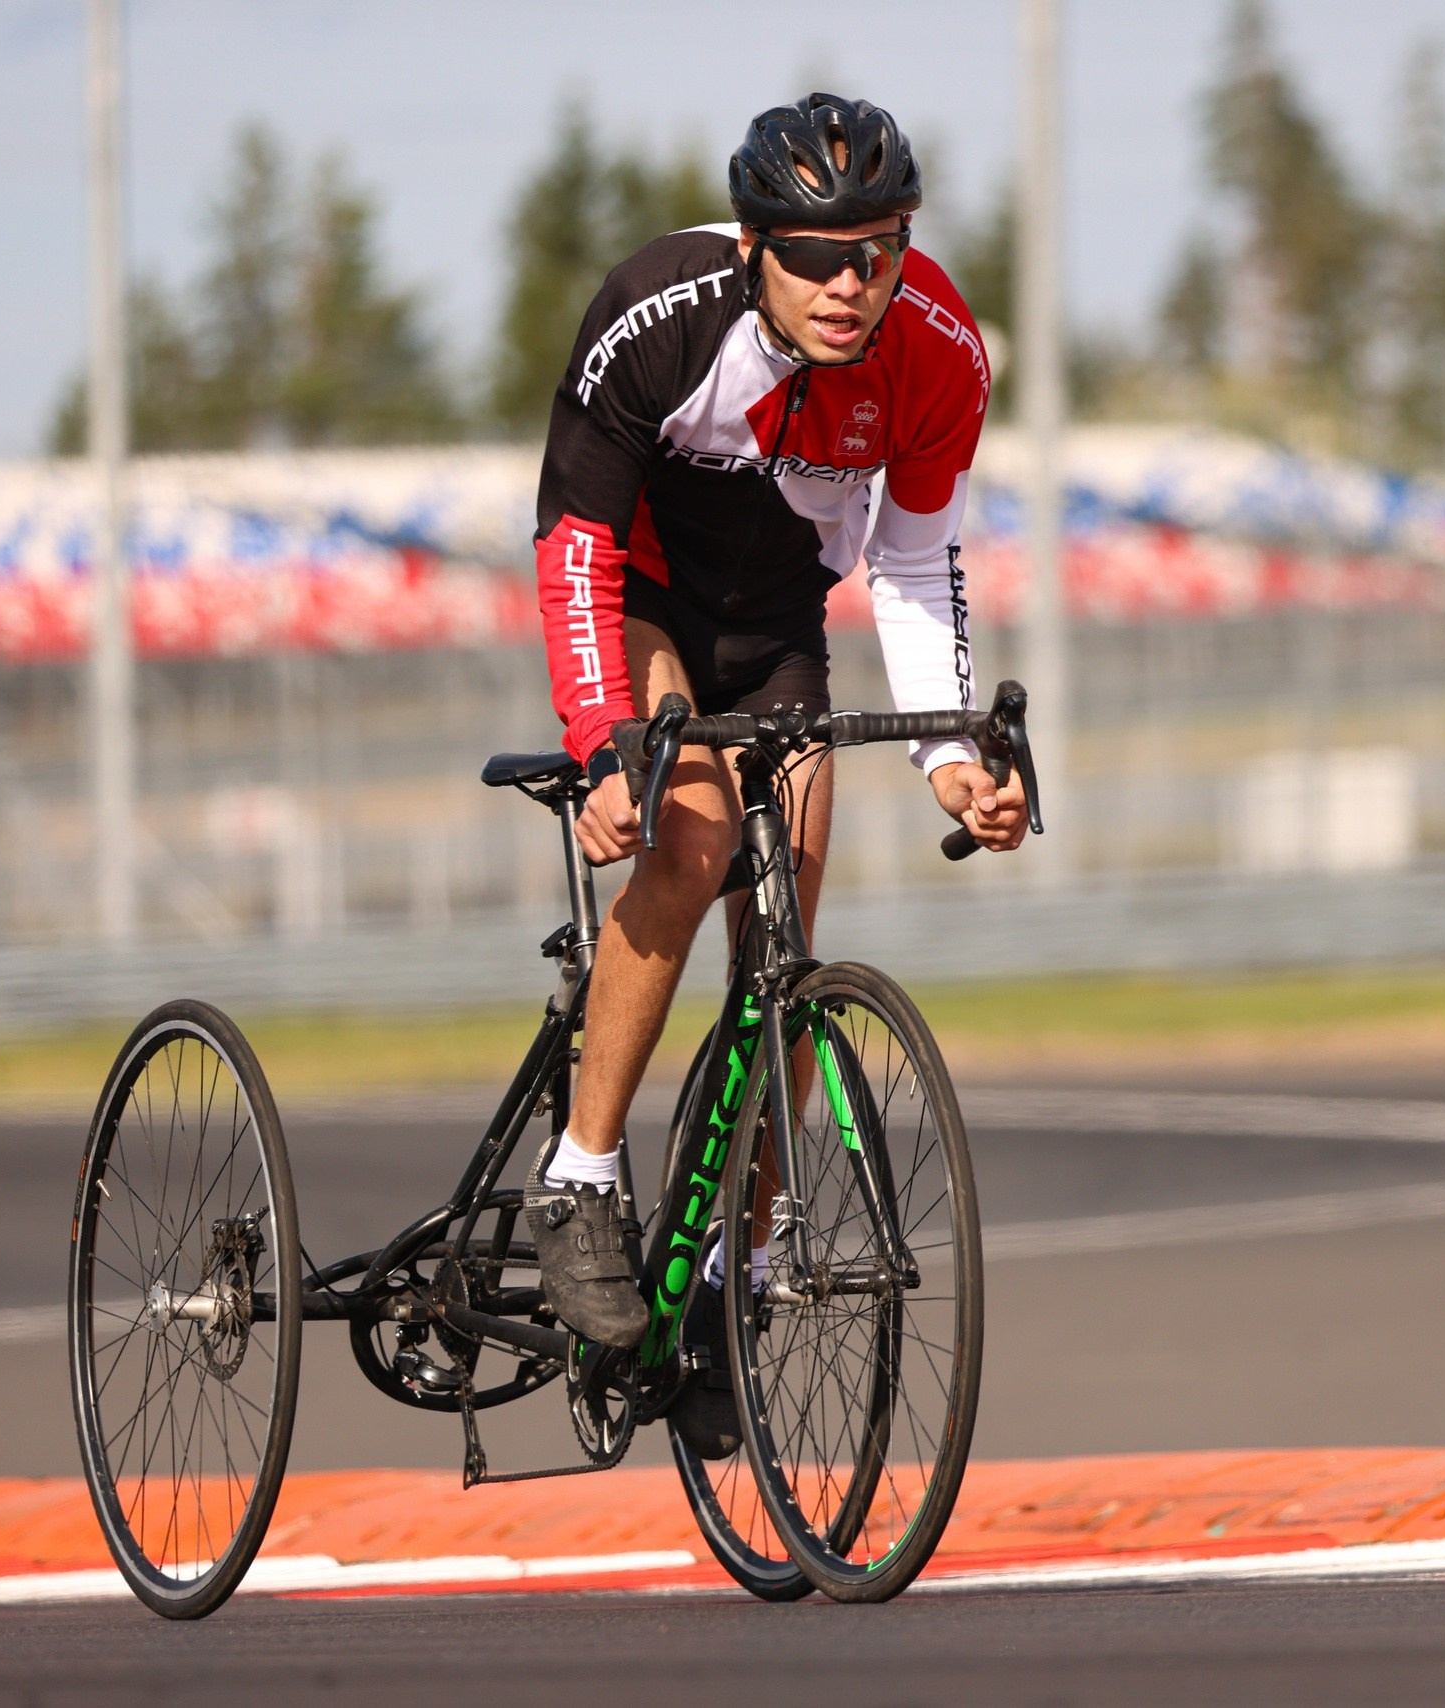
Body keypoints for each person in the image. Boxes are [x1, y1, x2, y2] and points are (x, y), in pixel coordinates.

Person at [522, 92, 1028, 1394]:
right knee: (688, 842)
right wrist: (602, 744)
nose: (849, 283)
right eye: (813, 255)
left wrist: (951, 755)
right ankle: (580, 1178)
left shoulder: (938, 353)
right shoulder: (659, 316)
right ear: (754, 246)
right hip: (643, 598)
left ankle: (731, 1277)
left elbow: (915, 565)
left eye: (879, 248)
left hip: (780, 619)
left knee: (785, 940)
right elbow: (575, 550)